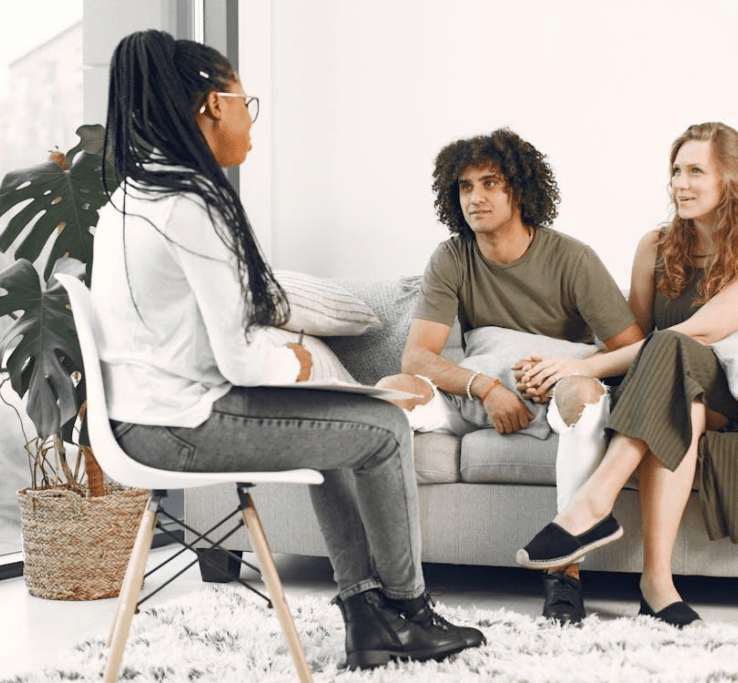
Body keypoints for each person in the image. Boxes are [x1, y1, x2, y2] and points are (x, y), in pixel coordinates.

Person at [90, 29, 484, 670]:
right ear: (213, 106)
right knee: (384, 427)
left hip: (141, 420)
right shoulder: (193, 204)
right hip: (183, 425)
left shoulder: (128, 198)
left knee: (343, 425)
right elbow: (240, 359)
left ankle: (367, 614)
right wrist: (293, 362)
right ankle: (409, 611)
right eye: (246, 103)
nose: (251, 120)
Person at [516, 121, 738, 627]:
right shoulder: (655, 246)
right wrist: (570, 367)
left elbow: (703, 331)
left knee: (676, 344)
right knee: (679, 395)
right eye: (676, 171)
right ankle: (657, 586)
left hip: (730, 392)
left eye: (695, 171)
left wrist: (582, 365)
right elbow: (633, 339)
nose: (679, 184)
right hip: (674, 392)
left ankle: (592, 505)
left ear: (732, 178)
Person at [377, 128, 644, 625]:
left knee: (584, 396)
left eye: (490, 183)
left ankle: (564, 574)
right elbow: (417, 357)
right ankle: (386, 574)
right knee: (389, 394)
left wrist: (566, 369)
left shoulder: (573, 259)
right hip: (480, 395)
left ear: (519, 190)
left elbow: (633, 351)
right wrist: (486, 387)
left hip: (553, 398)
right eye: (465, 186)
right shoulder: (451, 256)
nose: (475, 198)